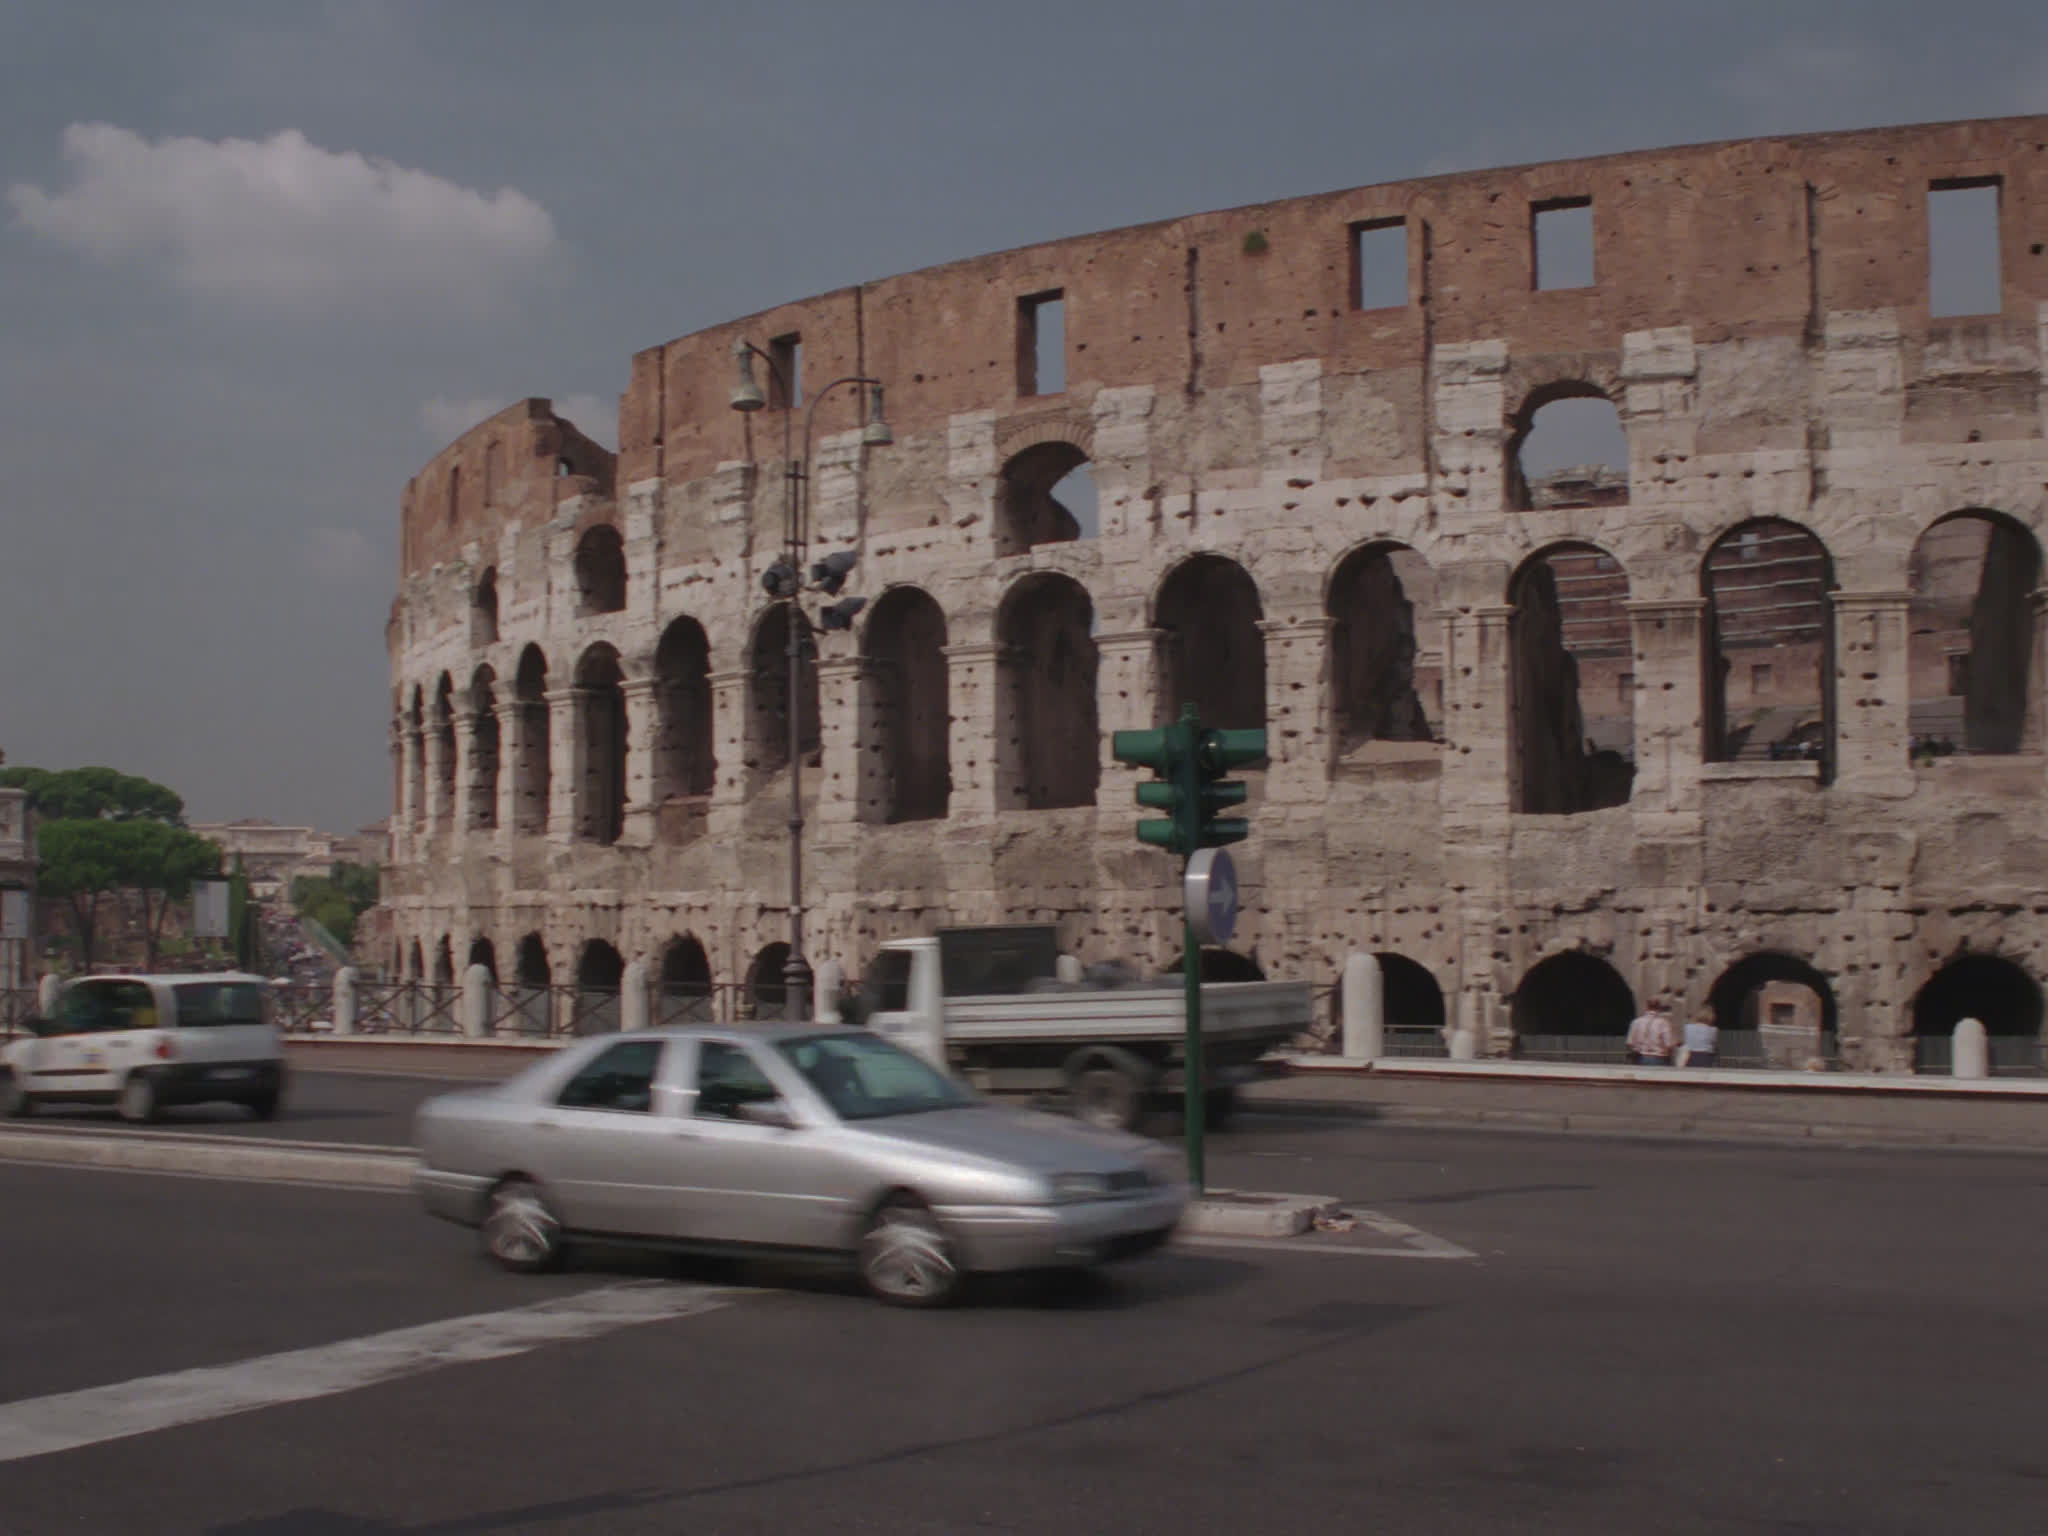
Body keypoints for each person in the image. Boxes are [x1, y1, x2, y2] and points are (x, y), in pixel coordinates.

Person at [1625, 997, 1676, 1065]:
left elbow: (1629, 1043)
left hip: (1639, 1058)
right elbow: (1668, 1044)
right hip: (1658, 1058)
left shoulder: (1636, 1022)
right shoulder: (1664, 1023)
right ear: (1659, 1008)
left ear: (1647, 1007)